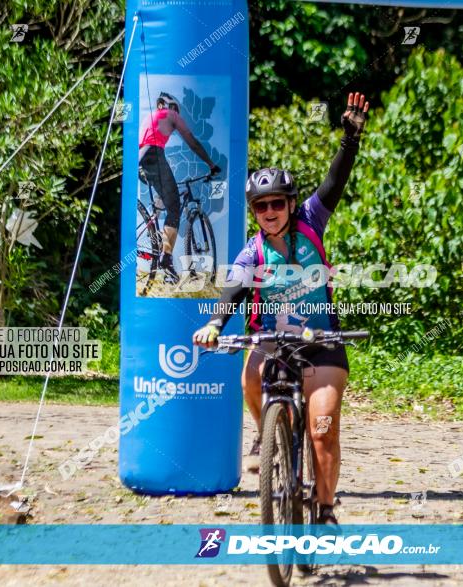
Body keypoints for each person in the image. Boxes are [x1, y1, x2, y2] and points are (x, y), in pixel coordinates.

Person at [193, 92, 369, 526]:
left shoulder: (311, 220)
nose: (270, 211)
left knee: (322, 428)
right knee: (250, 376)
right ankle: (267, 435)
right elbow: (234, 289)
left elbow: (334, 181)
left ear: (291, 205)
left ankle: (325, 509)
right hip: (274, 342)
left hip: (322, 343)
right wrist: (215, 322)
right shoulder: (251, 252)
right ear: (254, 212)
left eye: (277, 203)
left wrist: (350, 138)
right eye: (261, 206)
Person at [139, 91, 220, 284]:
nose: (177, 115)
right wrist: (210, 164)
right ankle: (166, 260)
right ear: (171, 107)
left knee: (166, 200)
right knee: (174, 207)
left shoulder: (150, 117)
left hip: (141, 159)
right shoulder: (171, 116)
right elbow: (192, 141)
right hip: (154, 156)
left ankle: (154, 236)